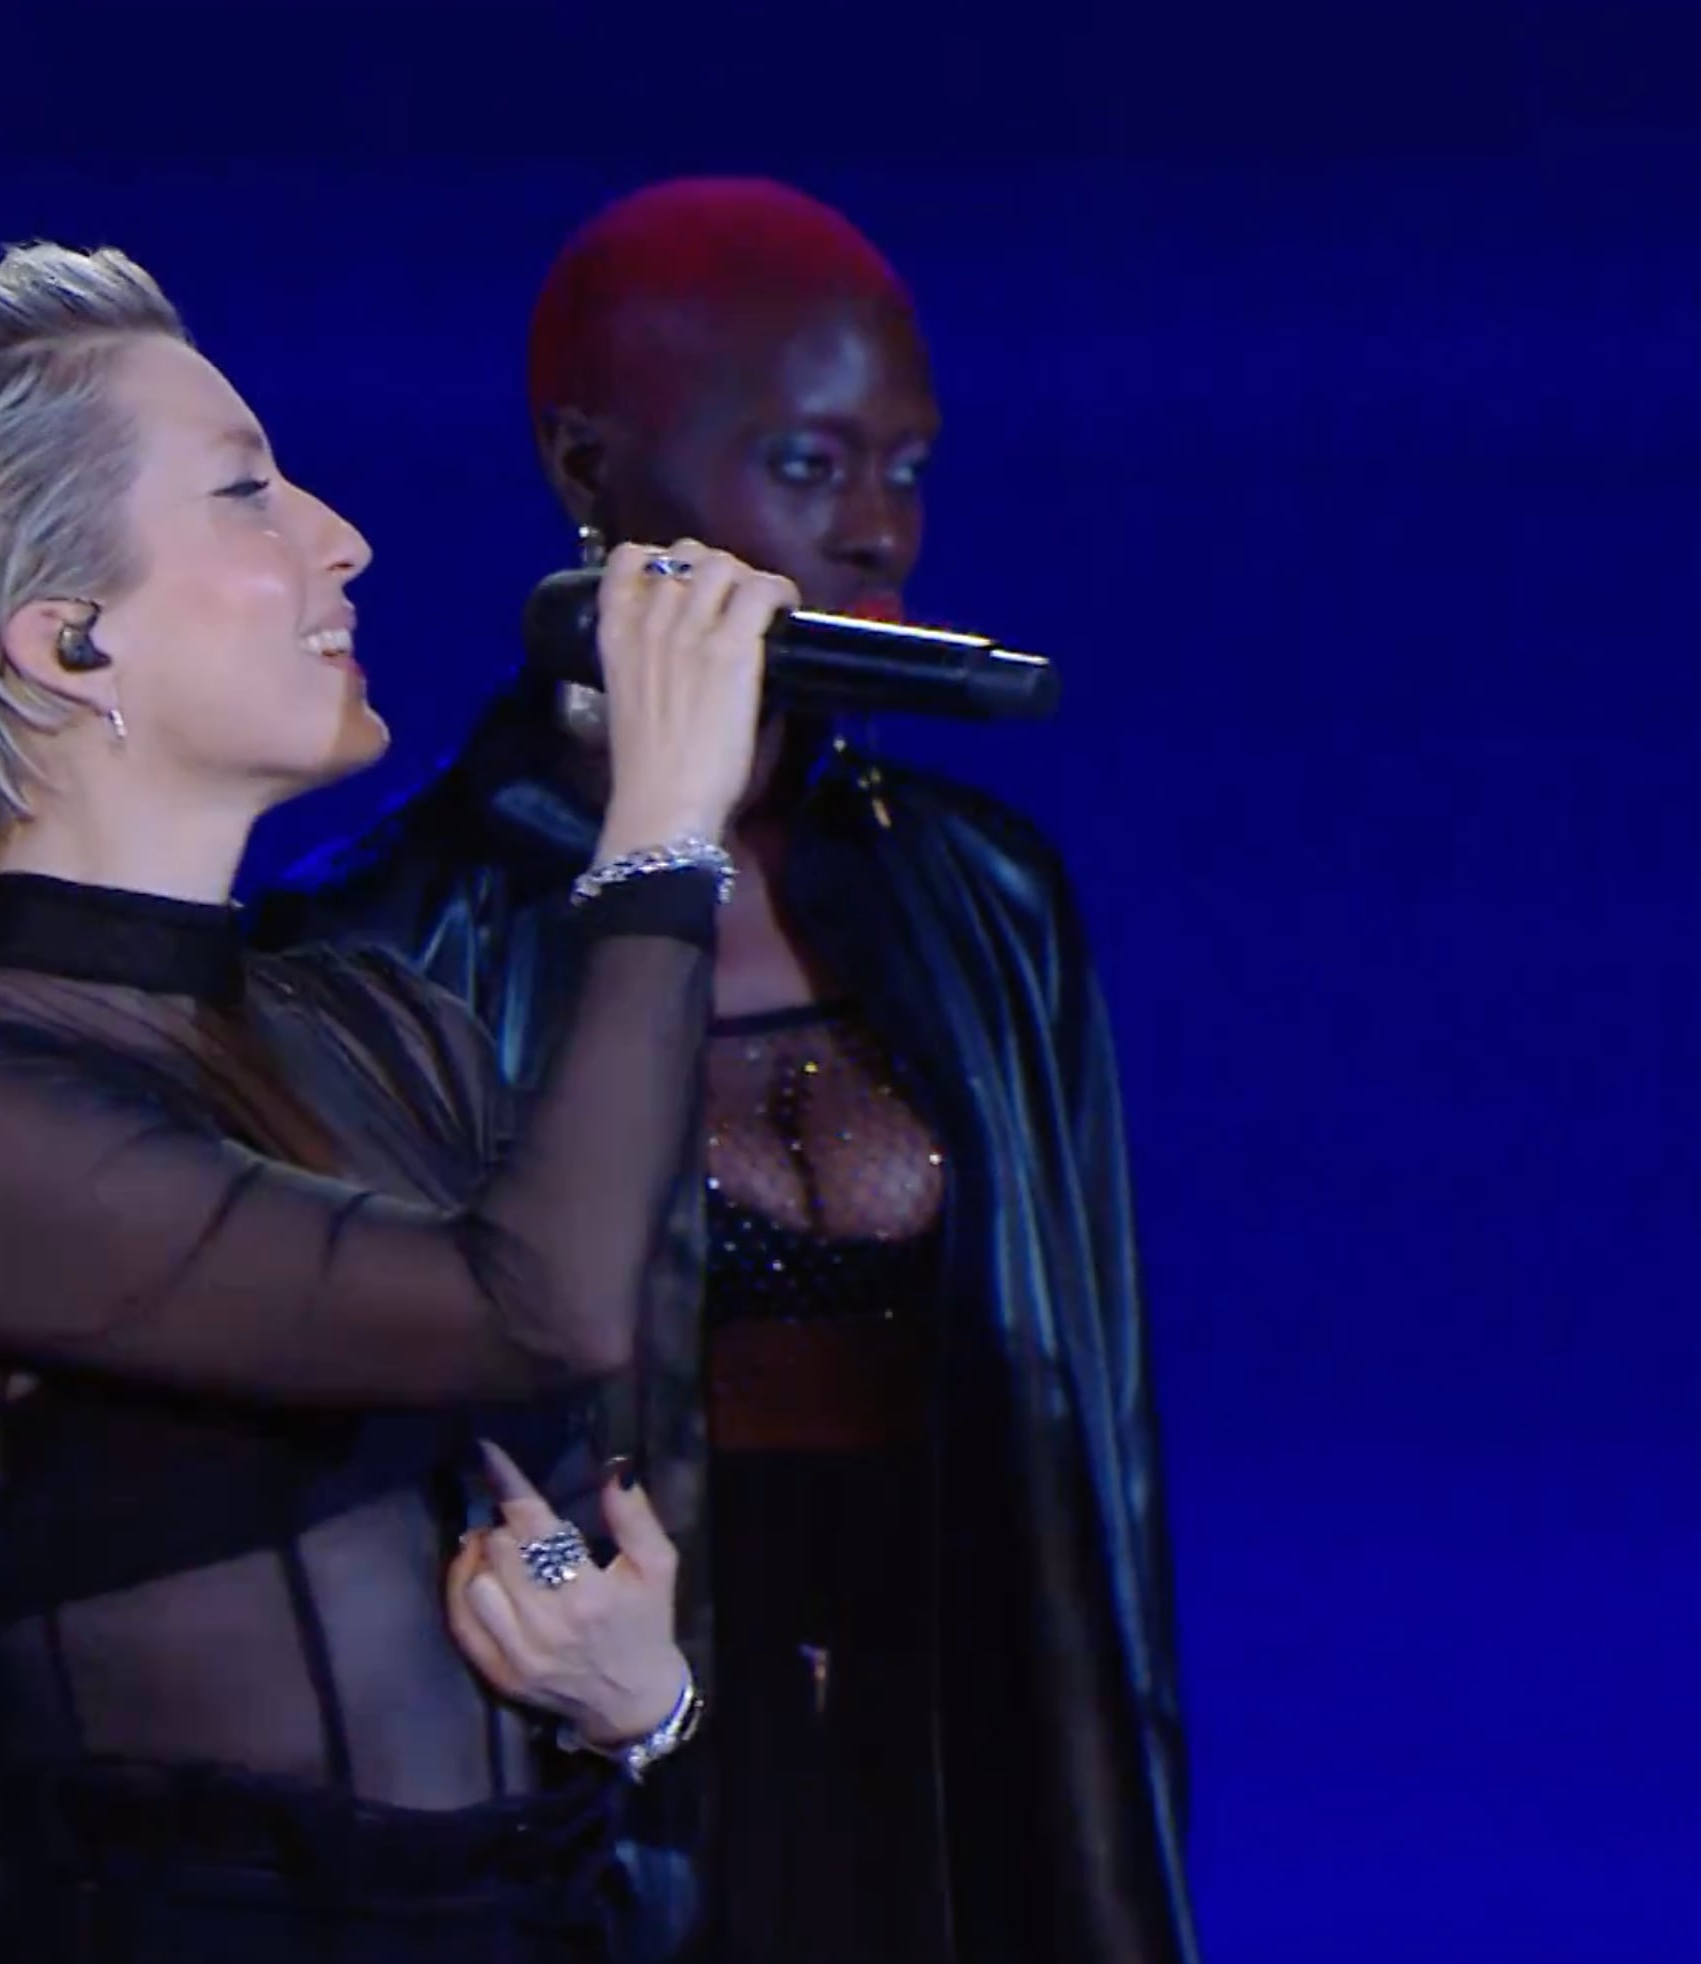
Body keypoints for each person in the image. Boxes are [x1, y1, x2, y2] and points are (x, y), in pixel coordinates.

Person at [0, 242, 779, 1961]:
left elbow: (572, 1488)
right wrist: (660, 823)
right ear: (64, 642)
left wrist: (639, 1687)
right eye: (243, 490)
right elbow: (535, 1301)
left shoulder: (378, 1023)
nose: (337, 538)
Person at [262, 177, 1196, 1963]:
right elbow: (391, 1456)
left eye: (901, 469)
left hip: (952, 1733)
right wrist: (573, 1636)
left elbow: (1093, 1435)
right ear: (583, 467)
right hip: (601, 1760)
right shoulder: (390, 930)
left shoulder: (978, 892)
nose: (871, 532)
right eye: (803, 461)